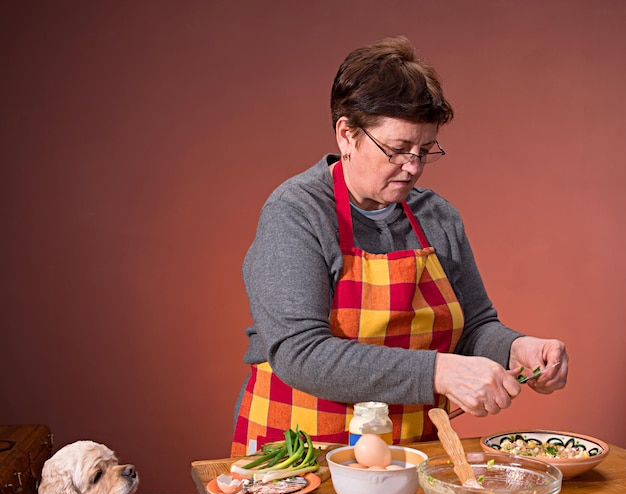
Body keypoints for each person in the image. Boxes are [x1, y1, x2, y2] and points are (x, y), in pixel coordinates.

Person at [231, 36, 568, 456]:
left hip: (413, 447)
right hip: (303, 447)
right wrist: (439, 373)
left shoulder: (437, 217)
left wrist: (517, 348)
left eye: (425, 150)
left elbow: (476, 326)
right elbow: (300, 353)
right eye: (396, 150)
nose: (412, 167)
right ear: (347, 135)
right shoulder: (296, 212)